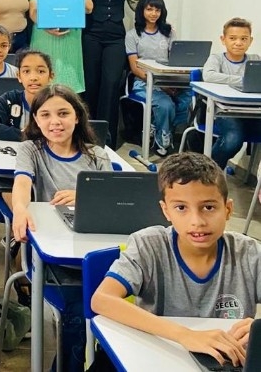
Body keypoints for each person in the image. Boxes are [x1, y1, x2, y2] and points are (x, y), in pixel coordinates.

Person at [91, 151, 261, 367]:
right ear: (166, 211)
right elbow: (102, 299)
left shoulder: (250, 253)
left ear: (227, 210)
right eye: (181, 208)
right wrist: (185, 335)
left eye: (208, 207)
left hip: (226, 361)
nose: (197, 221)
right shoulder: (149, 245)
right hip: (155, 357)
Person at [11, 84, 110, 372]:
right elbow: (21, 183)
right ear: (36, 120)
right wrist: (20, 208)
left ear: (77, 117)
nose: (55, 122)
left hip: (95, 252)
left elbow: (112, 199)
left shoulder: (97, 155)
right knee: (79, 316)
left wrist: (83, 194)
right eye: (46, 115)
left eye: (64, 113)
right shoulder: (31, 149)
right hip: (53, 259)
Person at [79, 0, 140, 147]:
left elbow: (137, 5)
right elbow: (75, 5)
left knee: (112, 84)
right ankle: (87, 135)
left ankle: (107, 138)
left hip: (116, 37)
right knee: (91, 85)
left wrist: (157, 24)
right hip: (91, 35)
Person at [125, 0, 191, 157]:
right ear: (142, 11)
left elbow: (175, 60)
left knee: (190, 99)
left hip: (169, 80)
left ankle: (156, 126)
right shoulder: (133, 35)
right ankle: (163, 141)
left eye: (157, 10)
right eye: (149, 9)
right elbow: (134, 68)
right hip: (144, 82)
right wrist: (161, 85)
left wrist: (171, 84)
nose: (153, 13)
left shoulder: (169, 32)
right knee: (166, 105)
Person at [28, 0, 93, 93]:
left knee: (68, 86)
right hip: (44, 37)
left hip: (70, 40)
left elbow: (89, 8)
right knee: (42, 83)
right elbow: (33, 12)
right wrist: (46, 26)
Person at [202, 17, 261, 169]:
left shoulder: (255, 60)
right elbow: (208, 75)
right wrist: (243, 80)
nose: (238, 43)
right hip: (223, 112)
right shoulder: (217, 59)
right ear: (223, 39)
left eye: (244, 39)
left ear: (250, 40)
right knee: (233, 139)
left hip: (252, 112)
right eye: (233, 38)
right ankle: (210, 171)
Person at [0, 49, 55, 141]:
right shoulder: (9, 99)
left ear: (51, 76)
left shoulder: (59, 103)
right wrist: (25, 135)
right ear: (19, 76)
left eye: (41, 71)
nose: (33, 78)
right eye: (26, 71)